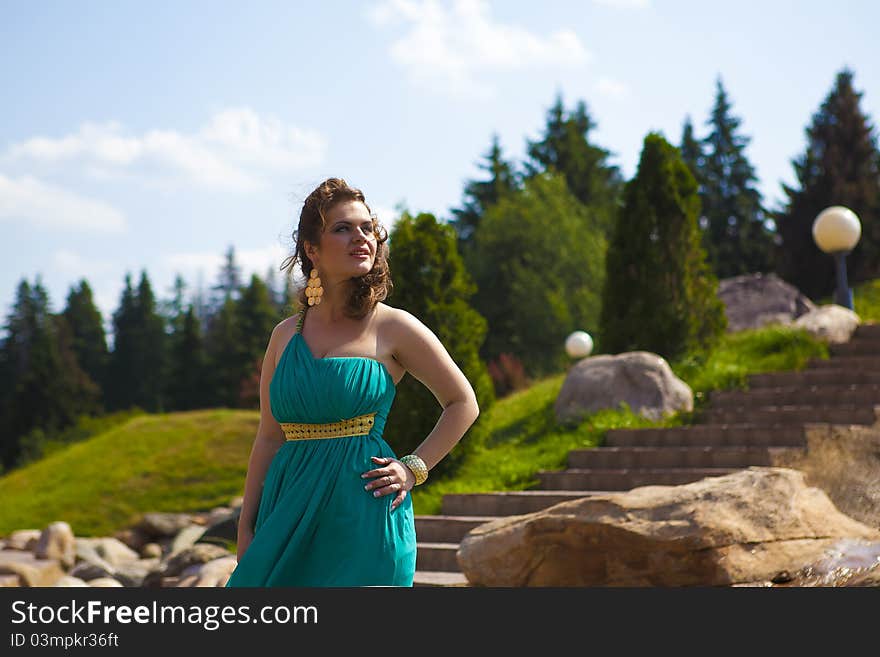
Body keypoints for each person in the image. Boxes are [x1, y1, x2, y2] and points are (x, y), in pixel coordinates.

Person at [224, 177, 480, 587]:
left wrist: (414, 468)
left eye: (367, 228)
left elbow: (462, 402)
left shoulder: (393, 326)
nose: (361, 238)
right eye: (342, 228)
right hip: (285, 512)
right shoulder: (284, 335)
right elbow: (269, 438)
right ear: (311, 249)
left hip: (364, 514)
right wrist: (246, 525)